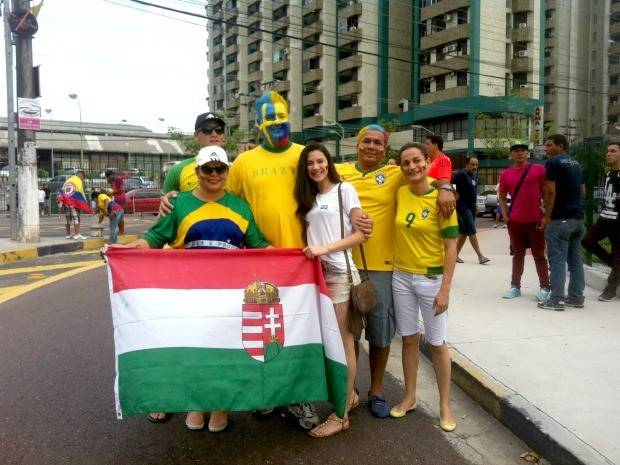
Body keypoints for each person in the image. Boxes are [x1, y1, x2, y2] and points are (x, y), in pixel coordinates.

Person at [107, 146, 271, 433]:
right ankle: (197, 403)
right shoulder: (180, 203)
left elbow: (258, 243)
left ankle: (219, 404)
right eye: (208, 169)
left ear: (227, 172)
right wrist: (128, 249)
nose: (214, 174)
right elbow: (157, 236)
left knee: (221, 348)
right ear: (198, 172)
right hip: (190, 293)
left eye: (220, 169)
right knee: (194, 347)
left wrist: (297, 257)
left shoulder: (241, 206)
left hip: (226, 294)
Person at [337, 125, 456, 419]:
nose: (371, 146)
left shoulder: (396, 176)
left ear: (385, 149)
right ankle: (348, 391)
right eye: (366, 141)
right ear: (357, 145)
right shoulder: (338, 171)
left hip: (384, 269)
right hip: (344, 265)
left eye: (378, 142)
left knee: (381, 335)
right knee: (346, 333)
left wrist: (446, 188)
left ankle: (375, 390)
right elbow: (306, 168)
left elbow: (426, 178)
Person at [294, 142, 367, 437]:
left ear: (329, 162)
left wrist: (324, 248)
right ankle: (349, 397)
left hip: (339, 273)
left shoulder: (344, 190)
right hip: (316, 274)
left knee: (343, 343)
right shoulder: (308, 197)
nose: (316, 167)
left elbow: (361, 234)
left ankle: (340, 416)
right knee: (329, 341)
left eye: (320, 161)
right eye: (310, 163)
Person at [390, 142, 459, 432]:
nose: (412, 167)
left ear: (427, 162)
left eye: (417, 161)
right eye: (406, 162)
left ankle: (444, 405)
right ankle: (410, 397)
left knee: (437, 343)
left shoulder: (443, 199)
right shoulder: (400, 191)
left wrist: (445, 289)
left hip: (431, 280)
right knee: (408, 339)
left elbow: (451, 246)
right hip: (402, 276)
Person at [538, 134, 585, 311]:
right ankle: (576, 297)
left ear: (560, 146)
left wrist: (547, 216)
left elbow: (550, 191)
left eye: (549, 145)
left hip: (560, 219)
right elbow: (583, 192)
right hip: (577, 218)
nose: (546, 149)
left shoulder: (553, 162)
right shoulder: (576, 164)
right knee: (575, 261)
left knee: (557, 260)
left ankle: (556, 299)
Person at [498, 140, 550, 300]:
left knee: (539, 254)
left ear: (527, 153)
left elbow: (547, 193)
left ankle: (545, 288)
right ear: (511, 154)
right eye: (516, 150)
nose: (520, 153)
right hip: (515, 221)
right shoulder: (506, 174)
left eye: (523, 150)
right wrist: (506, 217)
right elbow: (501, 196)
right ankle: (515, 286)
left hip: (535, 219)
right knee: (518, 254)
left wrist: (546, 216)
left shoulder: (538, 169)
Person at [581, 142, 620, 302]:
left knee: (618, 255)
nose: (608, 154)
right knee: (587, 241)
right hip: (605, 217)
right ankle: (617, 268)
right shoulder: (610, 173)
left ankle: (610, 290)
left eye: (613, 151)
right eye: (607, 151)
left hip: (618, 220)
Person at [451, 157, 490, 265]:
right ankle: (480, 256)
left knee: (464, 233)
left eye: (476, 165)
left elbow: (472, 191)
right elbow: (447, 181)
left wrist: (476, 206)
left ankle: (454, 255)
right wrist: (454, 194)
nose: (475, 167)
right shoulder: (460, 174)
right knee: (472, 231)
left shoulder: (473, 175)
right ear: (467, 164)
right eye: (472, 165)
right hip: (463, 207)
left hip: (471, 206)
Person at [58, 170, 92, 240]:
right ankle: (77, 234)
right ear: (81, 176)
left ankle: (68, 235)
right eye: (82, 179)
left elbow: (62, 191)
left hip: (66, 202)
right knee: (76, 218)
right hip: (73, 202)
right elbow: (80, 192)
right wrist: (85, 202)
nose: (82, 180)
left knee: (68, 219)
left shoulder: (67, 181)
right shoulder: (78, 181)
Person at [105, 169, 126, 237]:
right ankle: (120, 231)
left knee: (120, 217)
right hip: (116, 200)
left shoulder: (118, 179)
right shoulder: (113, 181)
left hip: (121, 200)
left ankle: (121, 231)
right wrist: (111, 194)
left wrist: (112, 193)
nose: (108, 179)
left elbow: (122, 189)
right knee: (118, 217)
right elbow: (115, 190)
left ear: (111, 175)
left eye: (108, 177)